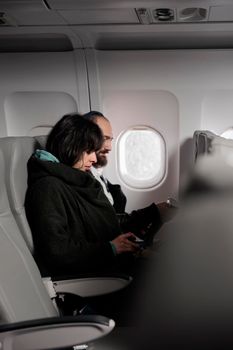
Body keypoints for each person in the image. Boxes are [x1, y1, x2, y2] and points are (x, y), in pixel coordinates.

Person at [25, 113, 140, 278]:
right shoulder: (47, 188)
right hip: (90, 276)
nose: (94, 159)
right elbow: (58, 252)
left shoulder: (75, 180)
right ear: (69, 146)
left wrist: (123, 245)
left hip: (106, 264)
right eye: (89, 151)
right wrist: (111, 248)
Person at [83, 111, 175, 243]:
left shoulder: (96, 173)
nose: (109, 147)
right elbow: (103, 223)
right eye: (104, 138)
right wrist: (152, 212)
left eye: (111, 139)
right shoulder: (83, 177)